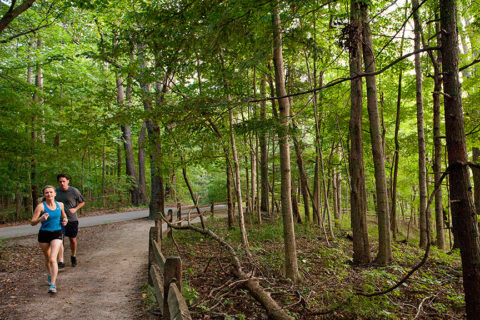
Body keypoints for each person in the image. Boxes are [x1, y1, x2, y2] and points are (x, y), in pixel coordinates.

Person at [31, 185, 68, 294]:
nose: (49, 194)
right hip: (44, 235)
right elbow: (32, 222)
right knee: (47, 259)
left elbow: (64, 216)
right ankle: (49, 273)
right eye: (47, 193)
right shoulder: (40, 207)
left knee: (53, 258)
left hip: (57, 233)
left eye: (51, 192)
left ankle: (53, 284)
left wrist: (65, 220)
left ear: (55, 193)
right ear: (44, 195)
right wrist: (40, 218)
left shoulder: (60, 205)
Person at [55, 173, 85, 268]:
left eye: (64, 181)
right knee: (60, 240)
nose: (62, 183)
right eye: (60, 182)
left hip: (72, 219)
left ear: (68, 181)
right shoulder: (56, 191)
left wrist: (75, 209)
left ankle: (73, 256)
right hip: (59, 220)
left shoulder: (74, 191)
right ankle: (61, 260)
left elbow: (82, 201)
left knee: (72, 239)